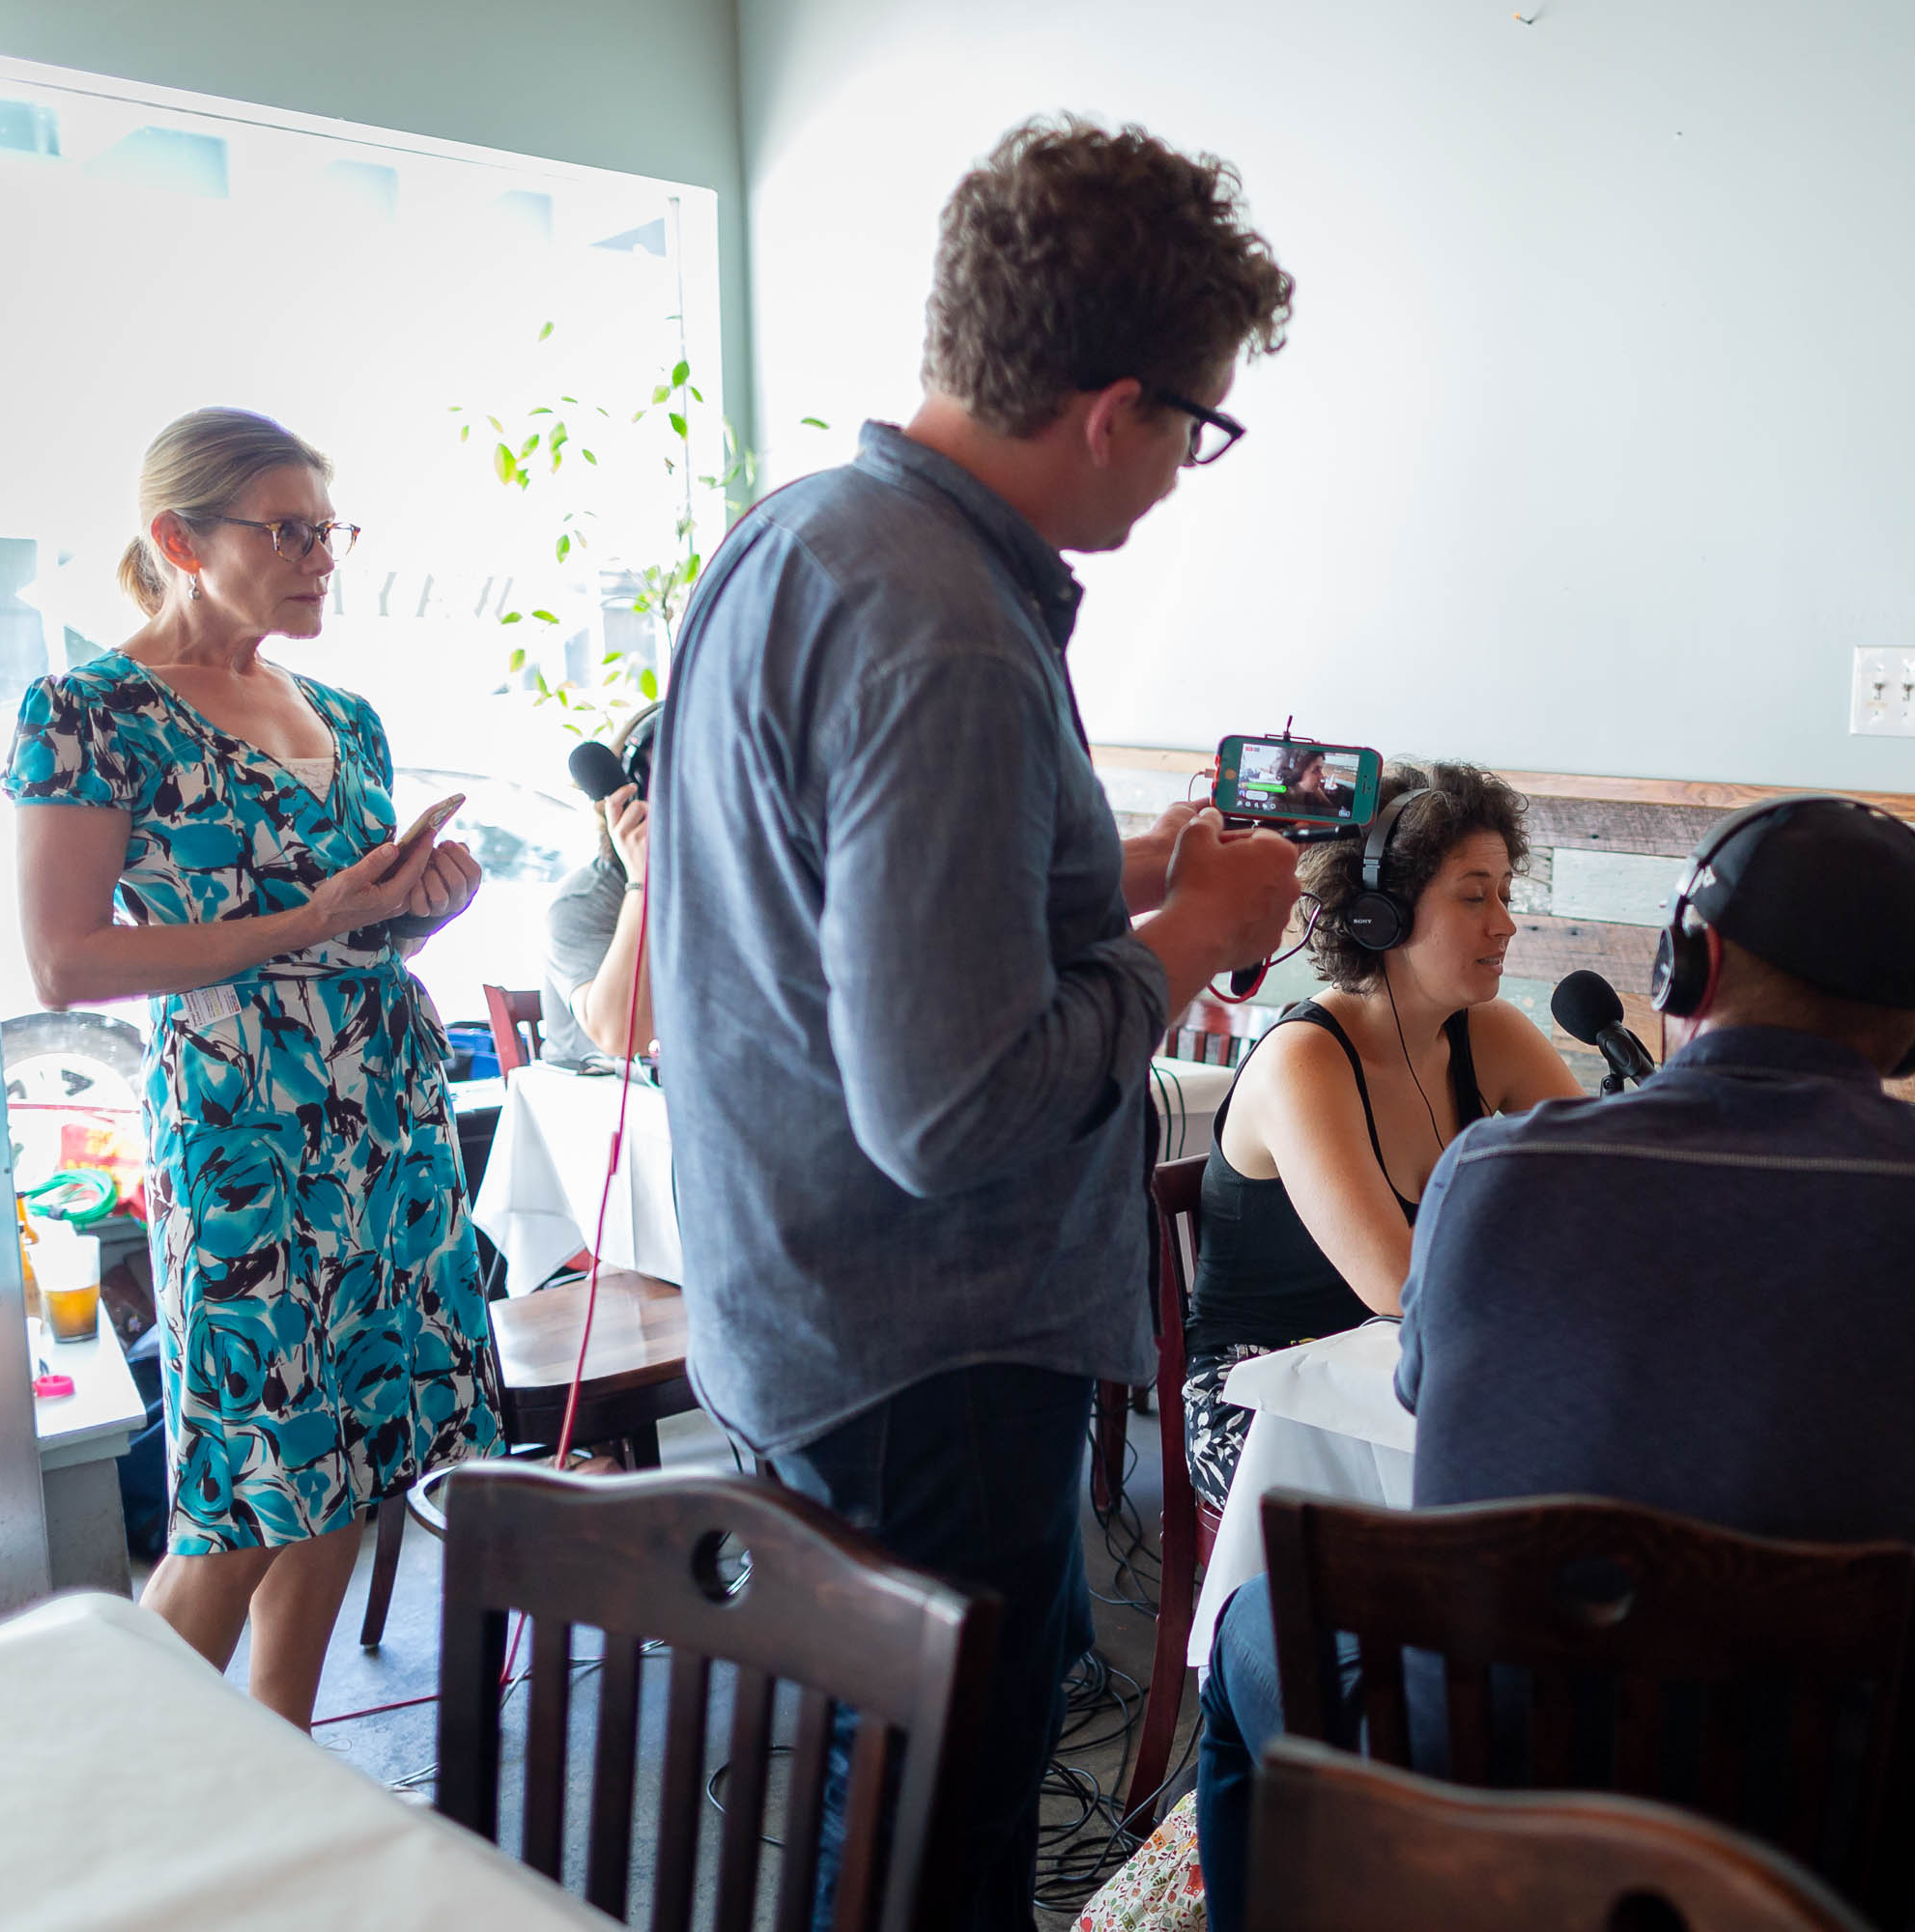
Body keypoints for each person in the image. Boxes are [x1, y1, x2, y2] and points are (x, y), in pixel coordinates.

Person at [649, 118, 1300, 1925]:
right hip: (927, 1355)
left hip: (799, 1315)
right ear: (1115, 407)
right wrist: (1189, 937)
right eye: (1198, 426)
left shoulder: (803, 539)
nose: (1183, 472)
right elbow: (948, 1106)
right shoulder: (948, 631)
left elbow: (837, 898)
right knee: (938, 1846)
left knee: (873, 1811)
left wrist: (1103, 857)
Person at [1193, 796, 1915, 1931]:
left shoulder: (1491, 1173)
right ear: (1914, 1025)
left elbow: (1437, 1391)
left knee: (1243, 1626)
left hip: (1467, 1801)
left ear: (1682, 964)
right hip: (1792, 1849)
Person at [2, 407, 497, 1725]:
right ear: (178, 539)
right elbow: (65, 961)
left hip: (383, 1112)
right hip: (244, 1127)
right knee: (242, 1487)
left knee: (347, 1459)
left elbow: (351, 916)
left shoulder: (342, 711)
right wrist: (323, 919)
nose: (321, 558)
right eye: (288, 531)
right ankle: (120, 1810)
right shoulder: (89, 711)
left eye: (328, 530)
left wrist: (416, 908)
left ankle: (274, 1767)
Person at [1182, 761, 1582, 1505]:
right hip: (1262, 1396)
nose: (1505, 922)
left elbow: (1608, 1185)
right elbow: (1396, 1287)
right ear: (1380, 917)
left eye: (1504, 893)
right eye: (1472, 897)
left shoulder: (1488, 1032)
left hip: (1420, 1367)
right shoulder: (1305, 1058)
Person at [540, 702, 657, 1065]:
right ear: (626, 797)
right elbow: (622, 1036)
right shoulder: (581, 902)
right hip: (592, 1107)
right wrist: (642, 879)